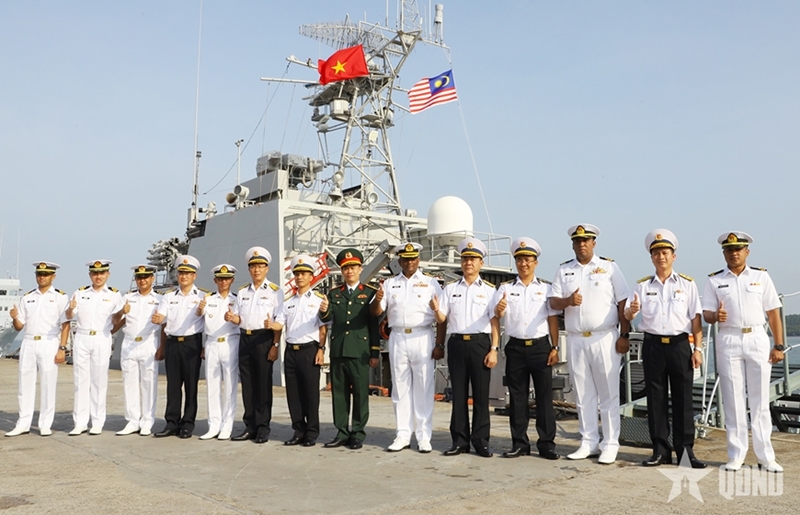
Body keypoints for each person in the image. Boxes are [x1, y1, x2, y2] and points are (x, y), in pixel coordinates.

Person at [701, 231, 784, 473]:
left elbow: (773, 312)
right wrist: (715, 316)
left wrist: (779, 345)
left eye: (738, 249)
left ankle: (766, 457)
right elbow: (706, 314)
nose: (734, 253)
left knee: (760, 401)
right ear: (723, 253)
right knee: (733, 399)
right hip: (729, 338)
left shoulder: (761, 276)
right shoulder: (714, 280)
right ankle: (736, 454)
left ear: (747, 251)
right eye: (729, 250)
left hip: (757, 336)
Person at [549, 224, 630, 465]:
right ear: (572, 244)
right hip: (575, 338)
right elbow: (553, 302)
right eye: (577, 241)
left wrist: (625, 334)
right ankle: (588, 441)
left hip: (604, 337)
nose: (581, 244)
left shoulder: (609, 267)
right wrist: (568, 300)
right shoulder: (564, 270)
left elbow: (623, 301)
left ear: (594, 243)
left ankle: (610, 443)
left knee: (608, 394)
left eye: (586, 240)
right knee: (583, 395)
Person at [624, 230, 705, 468]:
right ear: (651, 257)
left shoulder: (687, 284)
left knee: (683, 398)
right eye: (656, 253)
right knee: (655, 398)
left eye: (665, 253)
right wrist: (632, 310)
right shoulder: (641, 285)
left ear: (673, 256)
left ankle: (685, 451)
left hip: (680, 345)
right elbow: (628, 314)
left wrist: (698, 349)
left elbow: (696, 319)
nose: (661, 257)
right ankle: (659, 450)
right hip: (653, 346)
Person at [371, 242, 444, 453]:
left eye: (413, 258)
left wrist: (439, 344)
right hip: (398, 336)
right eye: (405, 259)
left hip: (422, 335)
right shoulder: (389, 284)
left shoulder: (431, 283)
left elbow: (441, 317)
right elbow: (377, 312)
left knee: (423, 387)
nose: (409, 262)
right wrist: (377, 300)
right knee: (400, 388)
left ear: (418, 260)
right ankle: (402, 435)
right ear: (400, 261)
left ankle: (423, 436)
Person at [493, 238, 560, 460]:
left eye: (528, 260)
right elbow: (496, 316)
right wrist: (500, 309)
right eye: (520, 260)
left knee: (544, 397)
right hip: (516, 347)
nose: (524, 264)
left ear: (535, 262)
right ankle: (520, 443)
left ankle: (547, 444)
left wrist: (555, 347)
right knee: (518, 398)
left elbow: (552, 320)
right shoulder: (505, 289)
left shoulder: (546, 289)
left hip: (540, 347)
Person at [433, 237, 498, 458]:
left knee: (481, 395)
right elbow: (442, 318)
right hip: (457, 344)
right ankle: (459, 441)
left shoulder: (489, 290)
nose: (468, 263)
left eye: (473, 259)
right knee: (458, 395)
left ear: (481, 263)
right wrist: (436, 309)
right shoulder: (450, 289)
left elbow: (495, 322)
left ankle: (481, 442)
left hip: (480, 344)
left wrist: (494, 349)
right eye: (465, 259)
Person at [319, 248, 380, 450]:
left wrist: (374, 352)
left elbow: (374, 324)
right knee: (339, 393)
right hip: (339, 350)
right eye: (346, 268)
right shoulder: (334, 293)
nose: (349, 271)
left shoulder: (369, 293)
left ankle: (358, 433)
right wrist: (324, 310)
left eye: (353, 267)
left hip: (360, 351)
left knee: (361, 394)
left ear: (360, 269)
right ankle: (342, 432)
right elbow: (328, 318)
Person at [5, 262, 70, 437]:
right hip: (28, 341)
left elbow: (65, 324)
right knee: (24, 384)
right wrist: (14, 318)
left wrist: (62, 348)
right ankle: (23, 423)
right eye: (39, 274)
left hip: (49, 342)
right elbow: (19, 326)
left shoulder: (60, 297)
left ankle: (45, 424)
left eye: (46, 274)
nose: (42, 277)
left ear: (53, 276)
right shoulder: (27, 297)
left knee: (48, 384)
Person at [228, 246, 285, 444]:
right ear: (249, 269)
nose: (257, 270)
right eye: (253, 266)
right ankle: (250, 426)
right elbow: (239, 318)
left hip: (264, 339)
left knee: (262, 385)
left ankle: (263, 427)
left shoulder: (275, 292)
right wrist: (232, 318)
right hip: (245, 339)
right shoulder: (243, 292)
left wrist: (275, 345)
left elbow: (279, 322)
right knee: (248, 385)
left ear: (267, 268)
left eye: (260, 266)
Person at [66, 260, 125, 436]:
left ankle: (97, 422)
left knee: (99, 381)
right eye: (95, 273)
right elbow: (69, 315)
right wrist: (70, 309)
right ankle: (80, 422)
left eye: (102, 273)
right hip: (82, 337)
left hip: (101, 337)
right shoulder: (80, 293)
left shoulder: (114, 294)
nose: (98, 276)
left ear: (108, 274)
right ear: (90, 275)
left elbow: (117, 320)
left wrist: (115, 322)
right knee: (80, 381)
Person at [152, 255, 205, 439]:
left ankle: (188, 423)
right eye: (181, 273)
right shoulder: (168, 297)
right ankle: (171, 423)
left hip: (192, 344)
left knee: (191, 386)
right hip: (173, 343)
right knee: (173, 385)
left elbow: (208, 322)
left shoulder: (202, 296)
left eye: (188, 273)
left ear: (194, 276)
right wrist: (158, 318)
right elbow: (162, 316)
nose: (184, 276)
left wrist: (205, 346)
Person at [281, 255, 327, 447]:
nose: (299, 277)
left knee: (310, 393)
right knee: (293, 393)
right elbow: (280, 324)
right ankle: (298, 430)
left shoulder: (318, 300)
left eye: (304, 273)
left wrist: (321, 349)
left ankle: (312, 432)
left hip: (310, 350)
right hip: (291, 350)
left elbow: (323, 328)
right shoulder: (287, 302)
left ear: (311, 276)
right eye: (297, 274)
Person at [114, 264, 162, 437]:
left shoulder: (159, 299)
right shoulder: (127, 298)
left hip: (148, 343)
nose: (142, 280)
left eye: (146, 277)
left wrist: (162, 347)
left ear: (152, 278)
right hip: (129, 343)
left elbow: (165, 325)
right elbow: (115, 319)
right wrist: (122, 311)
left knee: (149, 383)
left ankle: (147, 421)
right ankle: (132, 421)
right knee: (129, 383)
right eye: (139, 277)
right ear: (135, 279)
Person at [196, 264, 240, 441]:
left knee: (230, 385)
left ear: (232, 280)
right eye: (220, 279)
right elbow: (199, 319)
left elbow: (241, 320)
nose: (223, 282)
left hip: (230, 342)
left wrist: (233, 318)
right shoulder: (208, 299)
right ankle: (214, 425)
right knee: (212, 386)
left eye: (227, 279)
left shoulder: (237, 299)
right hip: (212, 343)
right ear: (215, 280)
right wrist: (199, 309)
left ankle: (227, 425)